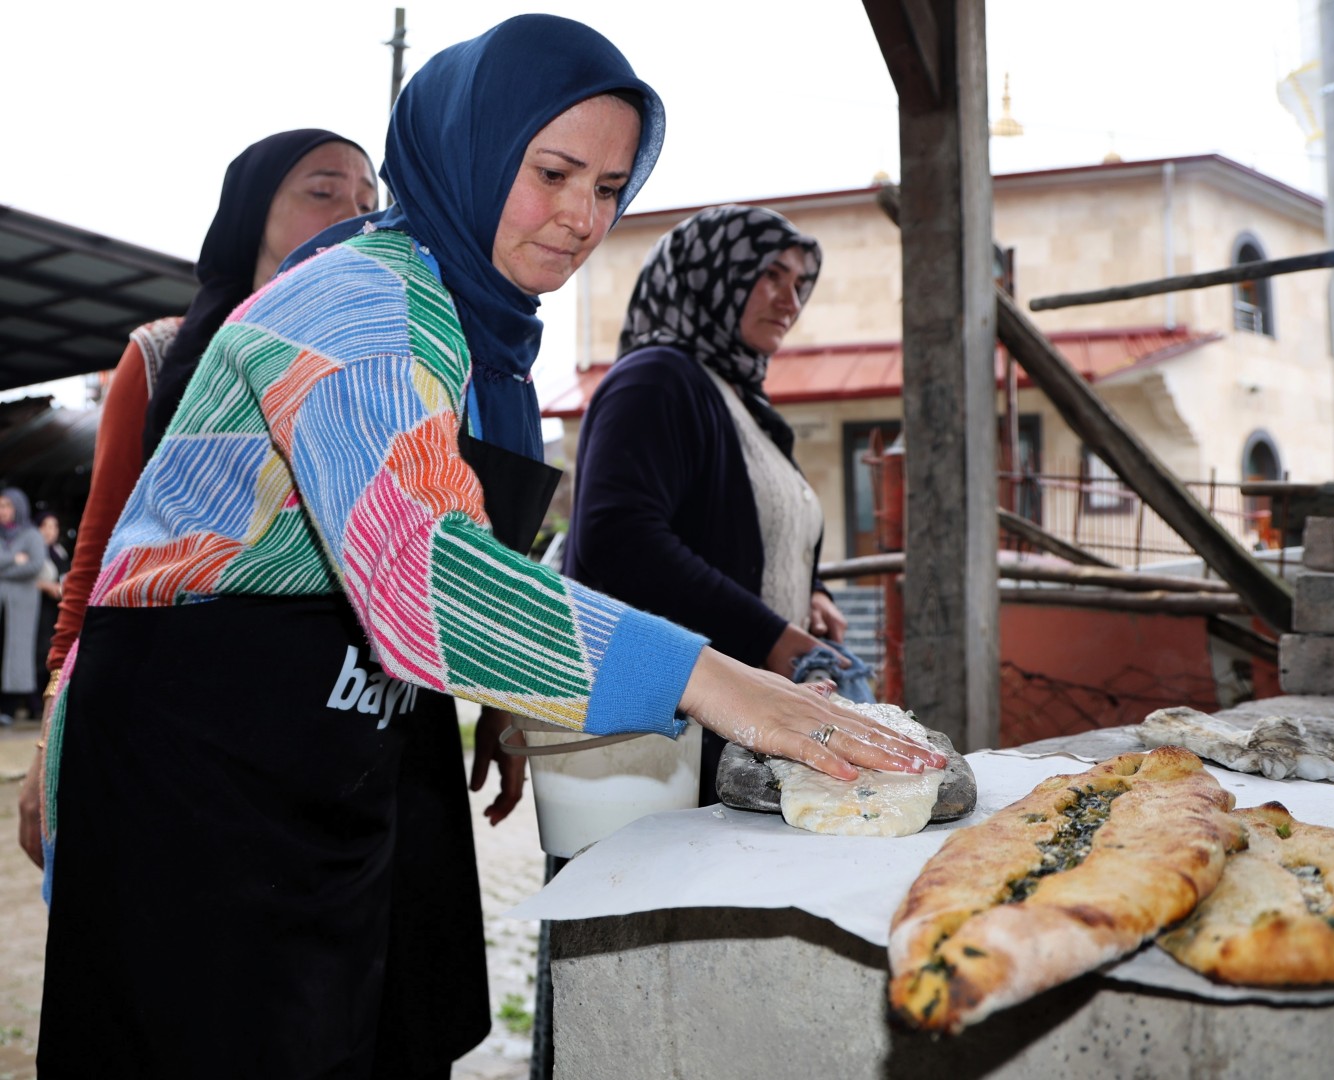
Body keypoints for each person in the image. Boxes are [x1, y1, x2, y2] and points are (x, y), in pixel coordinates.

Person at [34, 15, 942, 1080]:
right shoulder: (355, 305)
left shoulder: (485, 338)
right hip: (195, 759)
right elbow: (420, 576)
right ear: (469, 147)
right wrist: (716, 679)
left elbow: (457, 538)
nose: (578, 219)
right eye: (552, 171)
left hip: (338, 740)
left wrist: (504, 699)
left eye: (607, 188)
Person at [19, 128, 379, 869]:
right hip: (166, 724)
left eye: (370, 202)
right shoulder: (158, 356)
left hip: (328, 739)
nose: (354, 213)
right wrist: (52, 725)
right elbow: (98, 558)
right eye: (323, 191)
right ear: (252, 213)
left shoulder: (373, 373)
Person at [564, 204, 864, 804]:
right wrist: (770, 634)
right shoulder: (655, 380)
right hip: (664, 730)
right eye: (770, 275)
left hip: (732, 721)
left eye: (799, 283)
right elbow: (618, 536)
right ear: (710, 275)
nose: (790, 299)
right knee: (658, 892)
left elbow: (751, 531)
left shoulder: (740, 401)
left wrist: (811, 590)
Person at [0, 488, 44, 725]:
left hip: (21, 608)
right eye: (0, 506)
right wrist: (14, 560)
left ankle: (8, 708)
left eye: (7, 505)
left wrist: (3, 569)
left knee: (16, 654)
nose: (3, 511)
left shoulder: (31, 535)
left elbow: (35, 565)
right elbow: (22, 564)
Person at [30, 511, 68, 718]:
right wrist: (47, 587)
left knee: (52, 651)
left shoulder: (59, 552)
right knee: (38, 654)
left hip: (56, 610)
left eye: (54, 526)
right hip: (37, 610)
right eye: (45, 526)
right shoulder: (33, 552)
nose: (49, 531)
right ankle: (34, 705)